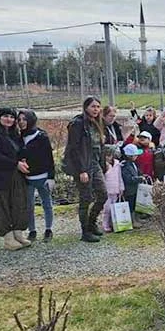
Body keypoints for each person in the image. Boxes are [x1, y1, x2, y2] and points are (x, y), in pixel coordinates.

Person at [0, 108, 31, 250]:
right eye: (5, 116)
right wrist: (15, 164)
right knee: (1, 206)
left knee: (18, 203)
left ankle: (18, 234)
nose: (9, 119)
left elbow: (19, 151)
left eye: (12, 117)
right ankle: (8, 238)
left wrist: (23, 158)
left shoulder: (13, 134)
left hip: (15, 176)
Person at [62, 97, 107, 243]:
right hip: (83, 165)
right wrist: (82, 170)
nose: (96, 109)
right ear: (86, 107)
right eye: (93, 106)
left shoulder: (97, 123)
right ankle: (85, 231)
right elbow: (74, 149)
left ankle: (91, 222)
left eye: (98, 106)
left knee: (103, 194)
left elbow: (100, 147)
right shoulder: (78, 124)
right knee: (86, 197)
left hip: (94, 163)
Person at [18, 109, 55, 242]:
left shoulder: (41, 136)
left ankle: (48, 229)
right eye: (20, 119)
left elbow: (49, 157)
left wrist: (51, 177)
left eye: (24, 119)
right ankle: (32, 230)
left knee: (47, 204)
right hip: (27, 178)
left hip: (42, 176)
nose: (22, 122)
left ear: (31, 120)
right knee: (29, 206)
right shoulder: (19, 137)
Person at [101, 146, 124, 233]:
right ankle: (105, 224)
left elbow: (119, 176)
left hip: (116, 188)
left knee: (115, 207)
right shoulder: (103, 165)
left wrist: (121, 187)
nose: (109, 157)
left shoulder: (117, 163)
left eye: (110, 155)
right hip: (107, 189)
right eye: (107, 155)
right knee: (107, 208)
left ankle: (114, 223)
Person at [121, 144, 144, 215]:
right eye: (135, 155)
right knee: (130, 206)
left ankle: (134, 218)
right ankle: (131, 220)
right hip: (129, 191)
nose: (137, 156)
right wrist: (139, 179)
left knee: (134, 204)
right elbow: (128, 179)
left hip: (134, 189)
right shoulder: (125, 166)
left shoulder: (133, 164)